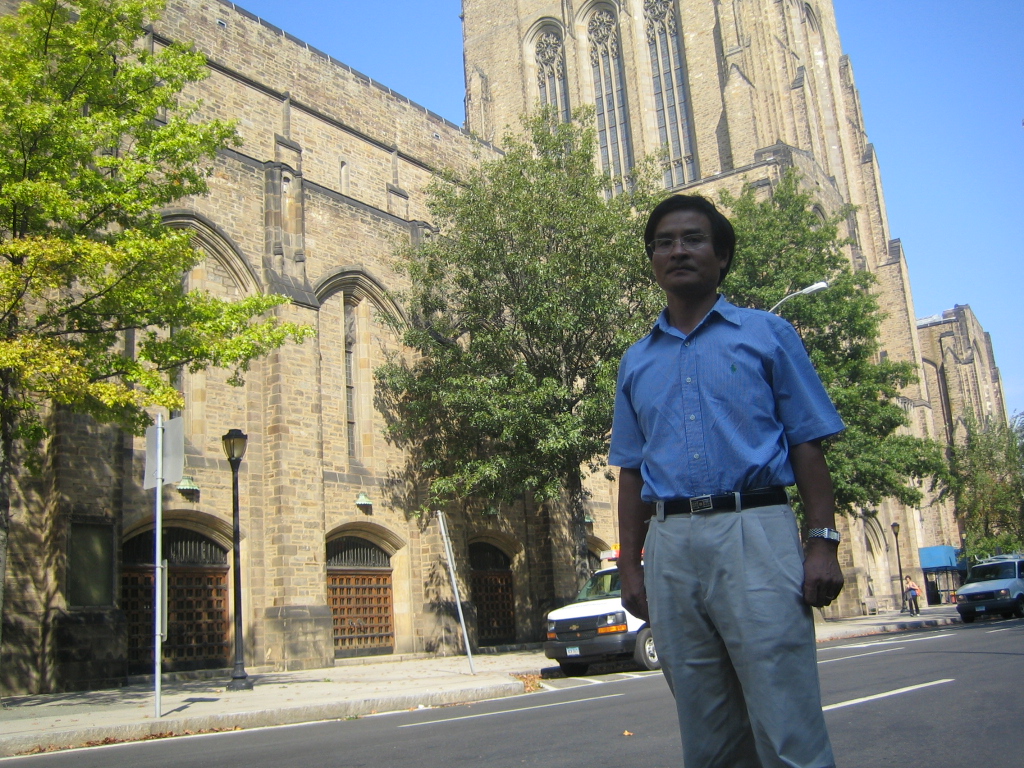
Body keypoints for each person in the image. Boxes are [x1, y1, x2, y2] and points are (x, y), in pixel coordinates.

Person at [610, 194, 846, 768]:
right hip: (670, 544)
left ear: (722, 256)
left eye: (693, 239)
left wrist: (822, 543)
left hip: (755, 530)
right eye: (663, 243)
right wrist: (631, 566)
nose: (677, 251)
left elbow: (807, 443)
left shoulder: (768, 334)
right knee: (707, 734)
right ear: (652, 261)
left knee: (786, 723)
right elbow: (631, 471)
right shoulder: (636, 361)